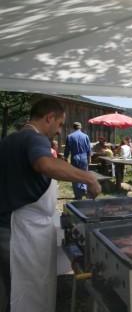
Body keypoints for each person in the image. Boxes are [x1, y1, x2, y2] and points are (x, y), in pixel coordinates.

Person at [0, 99, 102, 312]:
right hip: (21, 230)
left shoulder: (9, 140)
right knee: (26, 290)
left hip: (9, 224)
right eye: (59, 125)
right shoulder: (35, 138)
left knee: (10, 288)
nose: (58, 132)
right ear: (49, 117)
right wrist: (88, 178)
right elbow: (45, 164)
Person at [63, 121, 92, 199]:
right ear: (80, 127)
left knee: (75, 175)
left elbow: (67, 149)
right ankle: (84, 189)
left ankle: (78, 195)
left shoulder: (70, 136)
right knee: (84, 174)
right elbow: (89, 149)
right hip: (84, 157)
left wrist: (66, 157)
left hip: (75, 157)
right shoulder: (85, 136)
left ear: (74, 127)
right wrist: (89, 158)